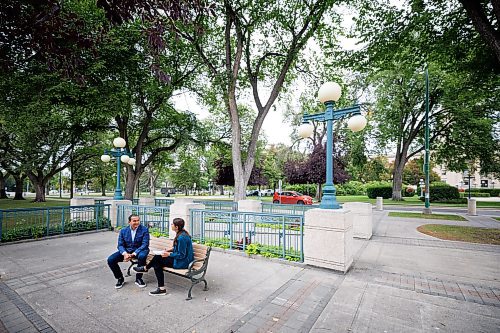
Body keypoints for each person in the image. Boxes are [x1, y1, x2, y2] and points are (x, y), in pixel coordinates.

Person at [134, 217, 194, 296]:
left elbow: (181, 255)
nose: (171, 225)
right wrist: (170, 250)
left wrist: (168, 254)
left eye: (172, 224)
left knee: (157, 259)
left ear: (176, 227)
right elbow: (179, 248)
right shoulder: (181, 233)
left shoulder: (181, 237)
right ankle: (161, 288)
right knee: (157, 261)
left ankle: (146, 269)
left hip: (182, 262)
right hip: (180, 259)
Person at [107, 214, 150, 289]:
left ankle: (138, 278)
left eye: (138, 220)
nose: (137, 222)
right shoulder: (123, 230)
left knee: (142, 256)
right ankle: (120, 278)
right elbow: (120, 245)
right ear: (129, 222)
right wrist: (125, 253)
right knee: (111, 260)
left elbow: (145, 244)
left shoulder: (144, 229)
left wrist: (134, 254)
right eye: (134, 221)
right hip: (127, 251)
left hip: (140, 250)